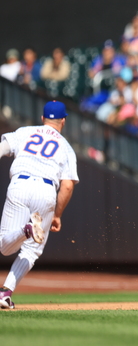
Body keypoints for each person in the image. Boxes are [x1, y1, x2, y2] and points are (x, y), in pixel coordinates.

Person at [0, 101, 78, 309]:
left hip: (20, 184)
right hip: (46, 191)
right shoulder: (67, 147)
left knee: (5, 248)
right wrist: (57, 215)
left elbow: (3, 148)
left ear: (42, 118)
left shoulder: (26, 131)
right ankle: (5, 293)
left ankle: (26, 230)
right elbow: (68, 186)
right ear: (63, 121)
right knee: (32, 250)